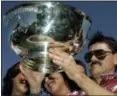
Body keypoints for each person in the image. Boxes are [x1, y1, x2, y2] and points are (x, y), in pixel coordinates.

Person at [48, 31, 117, 95]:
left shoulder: (79, 79)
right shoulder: (79, 91)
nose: (92, 58)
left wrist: (77, 75)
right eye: (89, 56)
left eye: (100, 53)